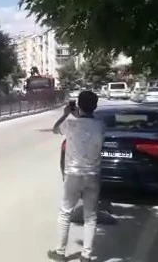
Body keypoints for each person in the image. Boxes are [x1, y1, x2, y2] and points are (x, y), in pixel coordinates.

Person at [47, 90, 105, 262]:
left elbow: (55, 129)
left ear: (78, 105)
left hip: (73, 173)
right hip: (93, 174)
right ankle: (86, 255)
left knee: (65, 212)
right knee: (91, 215)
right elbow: (89, 125)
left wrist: (66, 114)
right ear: (95, 106)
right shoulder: (101, 125)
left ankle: (60, 252)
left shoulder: (71, 124)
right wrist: (78, 115)